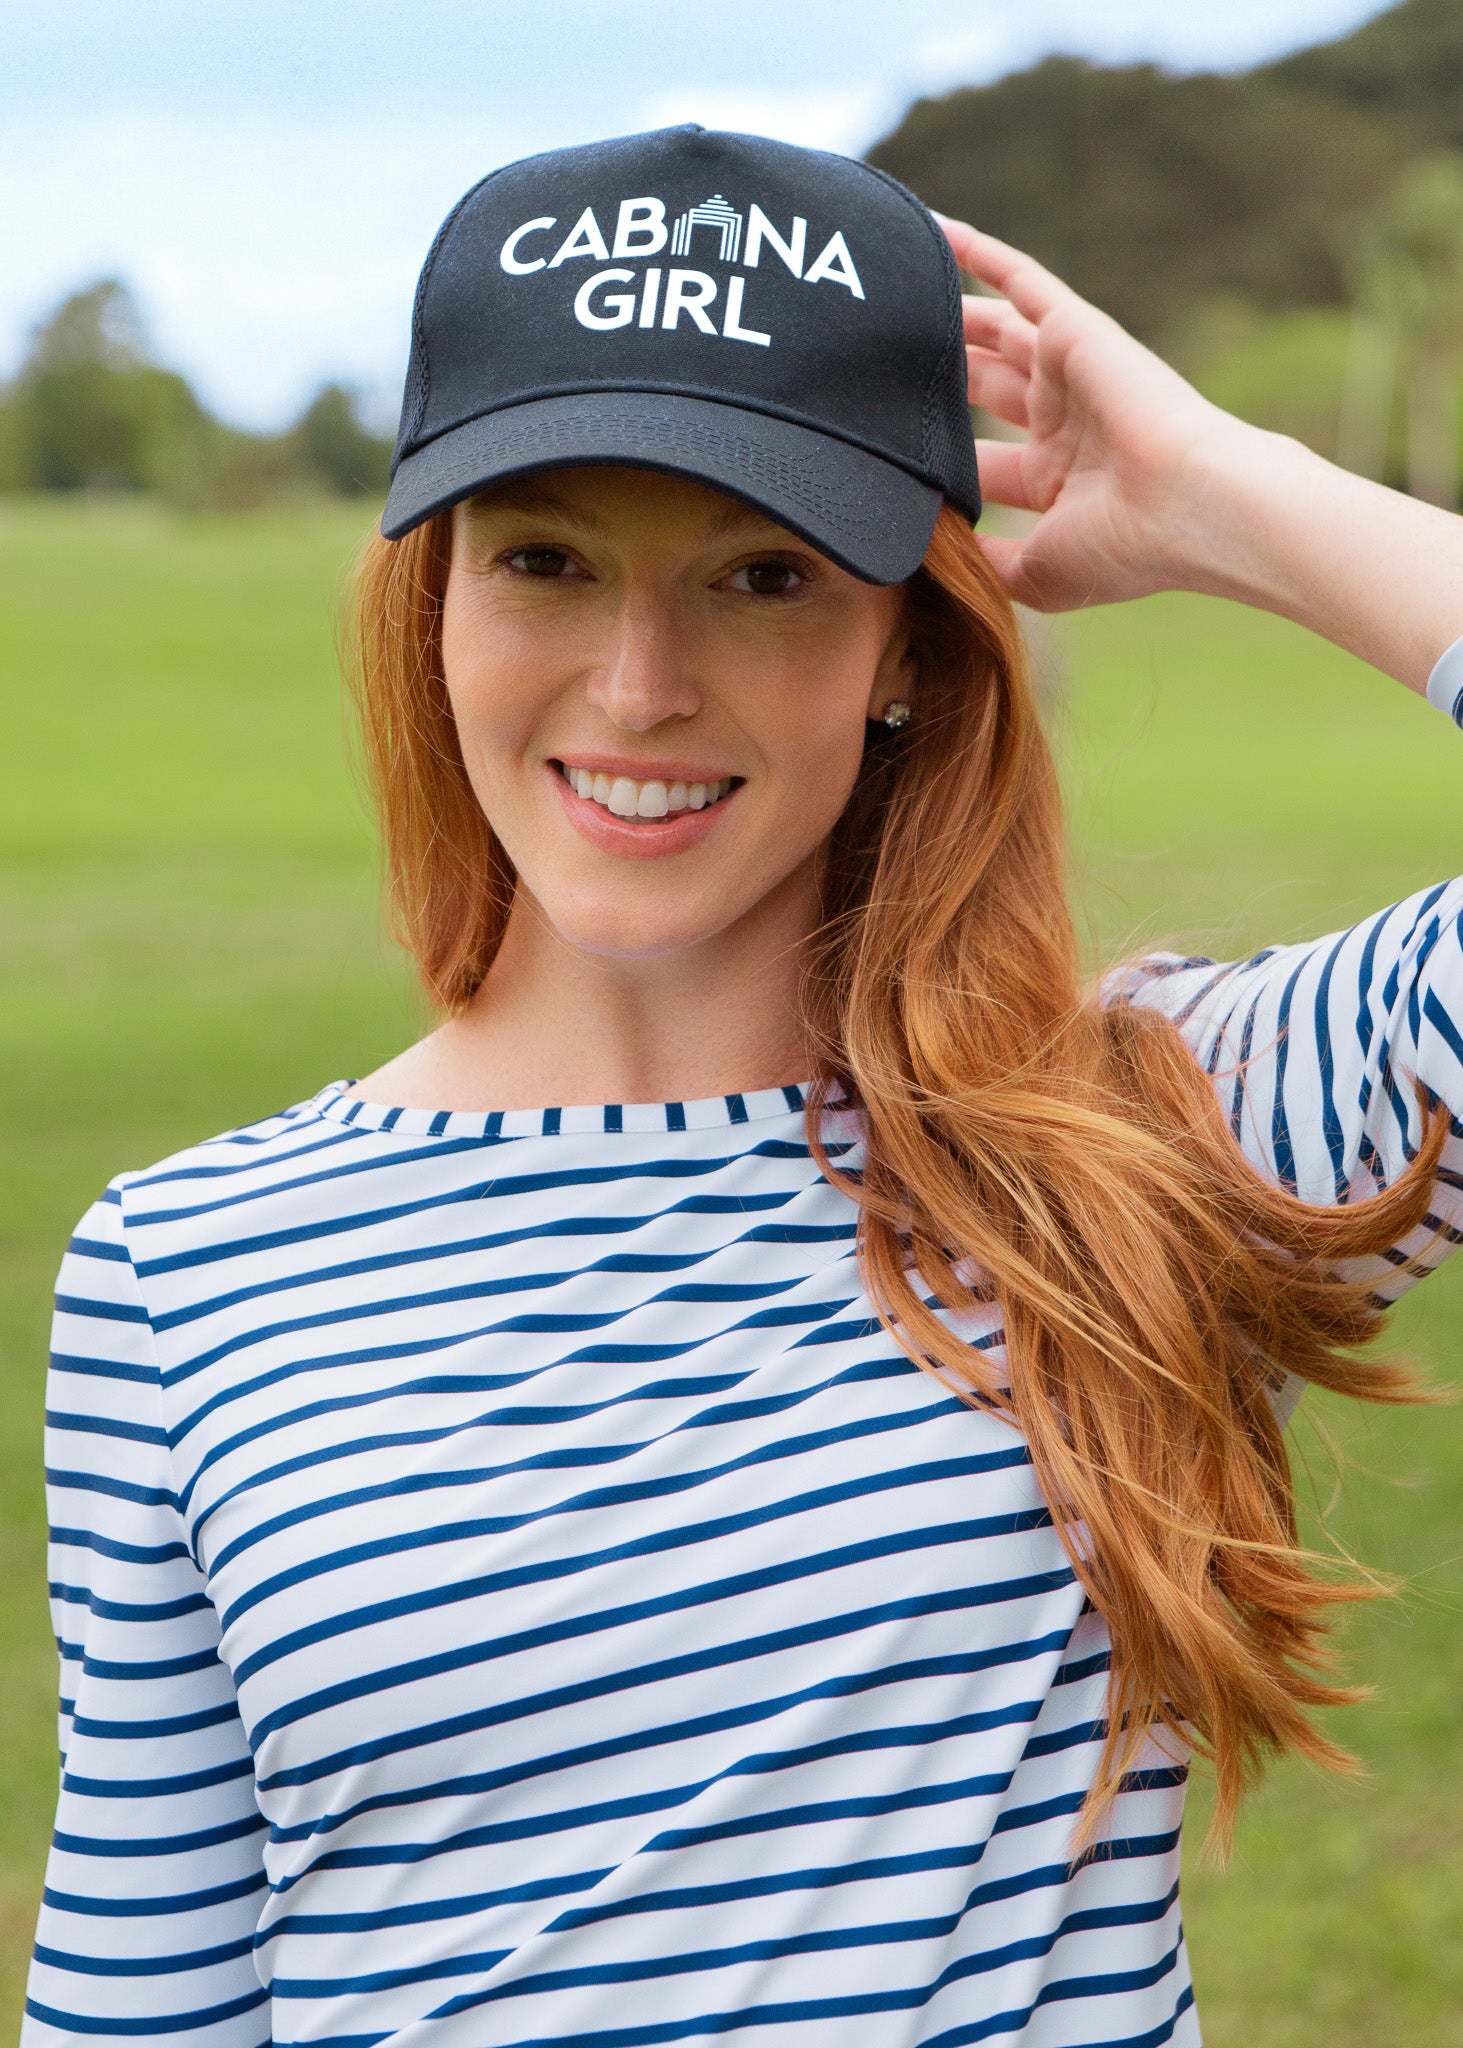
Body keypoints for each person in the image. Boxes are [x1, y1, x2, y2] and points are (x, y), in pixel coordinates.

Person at [23, 123, 1462, 2048]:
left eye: (764, 576)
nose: (636, 687)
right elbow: (146, 1993)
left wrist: (1237, 493)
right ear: (431, 599)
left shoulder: (1144, 1133)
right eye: (543, 557)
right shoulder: (183, 1271)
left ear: (902, 650)